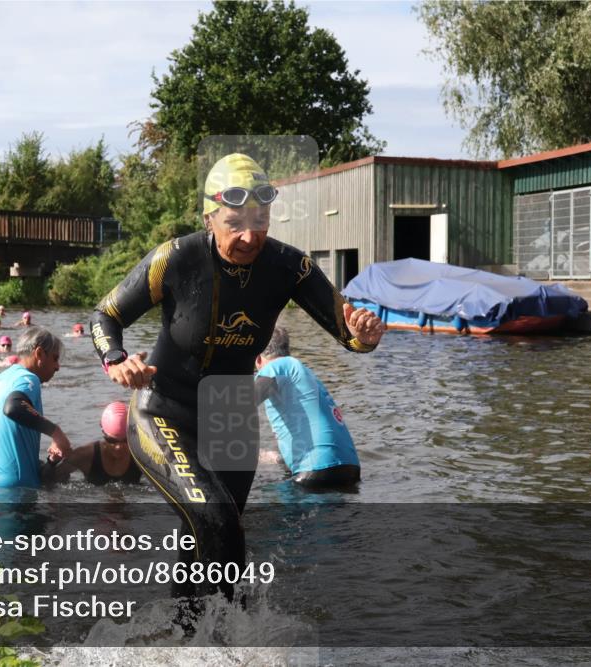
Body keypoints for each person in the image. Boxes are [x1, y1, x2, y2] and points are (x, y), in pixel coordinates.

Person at [89, 153, 385, 605]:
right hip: (165, 409)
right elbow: (106, 314)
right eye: (235, 223)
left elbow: (347, 333)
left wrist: (364, 334)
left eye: (261, 221)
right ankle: (221, 638)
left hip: (230, 413)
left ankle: (196, 638)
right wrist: (116, 359)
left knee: (217, 543)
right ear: (210, 217)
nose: (250, 236)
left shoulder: (290, 267)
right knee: (217, 517)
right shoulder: (175, 259)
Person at [255, 327, 361, 489]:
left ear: (257, 359)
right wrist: (266, 457)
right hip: (350, 470)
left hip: (316, 471)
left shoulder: (274, 368)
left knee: (261, 505)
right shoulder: (304, 374)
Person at [0, 326, 72, 488]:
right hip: (12, 489)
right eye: (55, 358)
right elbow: (13, 407)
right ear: (39, 354)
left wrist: (51, 462)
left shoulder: (4, 378)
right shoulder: (28, 378)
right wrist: (56, 433)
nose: (58, 367)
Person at [51, 402, 142, 485]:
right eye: (112, 441)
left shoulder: (141, 454)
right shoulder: (86, 455)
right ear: (103, 431)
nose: (118, 447)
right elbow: (49, 479)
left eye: (125, 440)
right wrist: (52, 461)